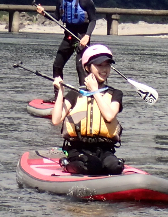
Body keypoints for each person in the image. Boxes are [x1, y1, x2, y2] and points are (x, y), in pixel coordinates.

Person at [50, 43, 123, 176]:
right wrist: (60, 91)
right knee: (92, 166)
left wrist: (94, 91)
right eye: (99, 65)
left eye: (107, 65)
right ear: (87, 67)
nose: (104, 69)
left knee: (115, 167)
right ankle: (66, 163)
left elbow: (109, 116)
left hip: (104, 149)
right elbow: (56, 120)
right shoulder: (75, 94)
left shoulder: (115, 94)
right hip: (78, 149)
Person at [36, 0, 97, 83]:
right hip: (68, 35)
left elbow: (93, 20)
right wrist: (44, 13)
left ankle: (85, 91)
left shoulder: (85, 0)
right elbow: (56, 17)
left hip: (82, 36)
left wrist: (87, 36)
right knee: (57, 65)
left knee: (80, 66)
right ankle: (58, 91)